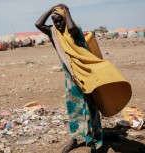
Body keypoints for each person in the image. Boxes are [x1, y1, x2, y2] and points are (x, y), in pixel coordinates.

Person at [35, 4, 104, 153]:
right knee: (73, 110)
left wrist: (66, 11)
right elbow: (38, 24)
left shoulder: (75, 31)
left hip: (85, 76)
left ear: (66, 19)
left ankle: (95, 140)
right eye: (55, 21)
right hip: (70, 80)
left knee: (91, 108)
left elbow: (71, 28)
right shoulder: (53, 33)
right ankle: (74, 139)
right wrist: (52, 8)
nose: (58, 24)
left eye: (60, 20)